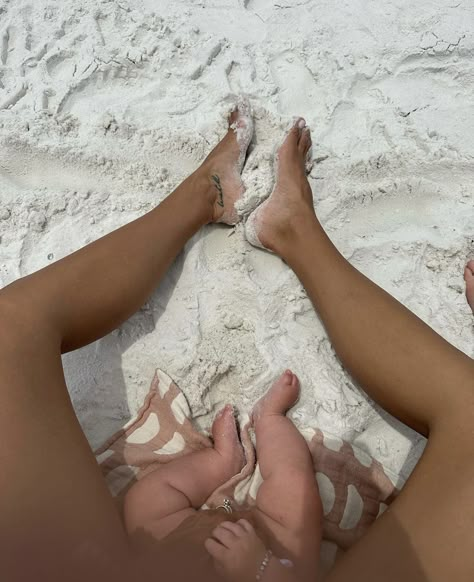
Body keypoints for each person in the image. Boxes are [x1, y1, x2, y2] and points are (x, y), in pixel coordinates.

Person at [1, 99, 473, 582]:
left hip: (147, 557)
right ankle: (290, 230)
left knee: (9, 330)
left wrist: (217, 468)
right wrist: (264, 567)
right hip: (272, 554)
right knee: (295, 508)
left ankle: (206, 197)